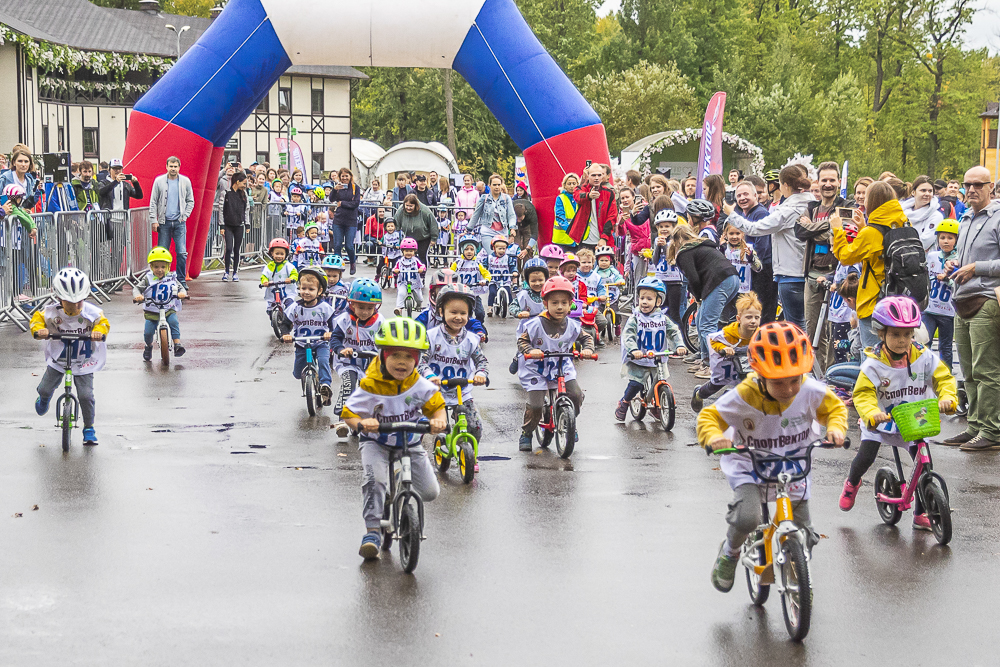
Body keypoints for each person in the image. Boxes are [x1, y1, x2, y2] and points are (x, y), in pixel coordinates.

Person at [699, 322, 847, 592]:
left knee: (804, 532)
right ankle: (730, 552)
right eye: (779, 382)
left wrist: (836, 428)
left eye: (795, 379)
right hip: (750, 465)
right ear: (759, 374)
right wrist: (713, 437)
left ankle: (798, 578)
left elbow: (834, 408)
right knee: (747, 517)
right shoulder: (744, 395)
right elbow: (710, 416)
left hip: (793, 465)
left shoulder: (809, 388)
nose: (790, 389)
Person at [837, 297, 956, 526]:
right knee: (866, 456)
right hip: (882, 420)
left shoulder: (923, 357)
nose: (902, 341)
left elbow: (943, 378)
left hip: (914, 418)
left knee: (924, 462)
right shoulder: (873, 365)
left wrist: (948, 398)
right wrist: (871, 413)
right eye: (895, 335)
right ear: (881, 334)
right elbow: (863, 394)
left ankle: (921, 514)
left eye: (907, 334)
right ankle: (852, 483)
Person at [344, 317, 446, 559]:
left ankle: (397, 496)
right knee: (375, 482)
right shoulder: (371, 384)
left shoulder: (419, 385)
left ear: (418, 360)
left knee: (430, 492)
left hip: (409, 442)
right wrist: (360, 423)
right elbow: (348, 414)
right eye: (396, 356)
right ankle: (372, 532)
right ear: (383, 355)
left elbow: (437, 406)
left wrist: (438, 421)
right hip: (377, 442)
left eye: (410, 357)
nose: (402, 362)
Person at [940, 165, 1000, 450]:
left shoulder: (998, 217)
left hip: (987, 301)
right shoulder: (964, 218)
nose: (972, 189)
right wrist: (954, 263)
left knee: (986, 370)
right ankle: (974, 426)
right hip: (962, 300)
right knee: (968, 370)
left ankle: (993, 431)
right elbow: (962, 259)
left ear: (990, 187)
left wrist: (977, 268)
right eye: (968, 185)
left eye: (978, 184)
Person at [723, 164, 815, 331]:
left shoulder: (787, 210)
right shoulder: (812, 204)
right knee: (804, 324)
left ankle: (799, 356)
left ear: (785, 185)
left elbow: (754, 229)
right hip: (807, 271)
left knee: (795, 326)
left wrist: (732, 214)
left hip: (790, 273)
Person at [31, 267, 110, 447]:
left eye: (79, 302)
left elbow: (103, 323)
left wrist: (98, 331)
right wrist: (38, 330)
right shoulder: (50, 312)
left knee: (86, 395)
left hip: (83, 361)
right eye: (69, 302)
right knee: (45, 388)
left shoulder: (92, 312)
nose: (75, 307)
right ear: (59, 298)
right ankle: (44, 399)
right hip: (59, 359)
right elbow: (36, 320)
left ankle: (89, 428)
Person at [515, 276, 595, 451]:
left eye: (564, 303)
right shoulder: (535, 324)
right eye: (554, 302)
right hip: (536, 368)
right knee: (536, 404)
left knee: (575, 395)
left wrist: (587, 349)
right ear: (545, 303)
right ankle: (527, 432)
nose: (560, 307)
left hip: (561, 366)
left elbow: (586, 337)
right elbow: (522, 342)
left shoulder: (573, 325)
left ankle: (568, 422)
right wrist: (529, 351)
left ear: (570, 304)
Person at [830, 180, 907, 349]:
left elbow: (845, 257)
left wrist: (837, 230)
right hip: (900, 301)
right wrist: (863, 227)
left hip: (875, 303)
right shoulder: (903, 224)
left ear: (872, 202)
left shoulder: (871, 233)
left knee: (872, 357)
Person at [668, 224, 740, 378]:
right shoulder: (701, 245)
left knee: (707, 323)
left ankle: (713, 365)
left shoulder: (684, 252)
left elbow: (692, 278)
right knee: (702, 319)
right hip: (732, 278)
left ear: (676, 241)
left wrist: (698, 296)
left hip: (719, 281)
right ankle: (704, 357)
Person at [420, 284, 489, 443]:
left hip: (461, 391)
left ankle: (471, 453)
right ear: (441, 312)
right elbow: (420, 361)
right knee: (429, 423)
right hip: (437, 389)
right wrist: (429, 375)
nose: (458, 317)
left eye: (463, 313)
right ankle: (415, 451)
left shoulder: (471, 339)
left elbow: (481, 360)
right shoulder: (431, 336)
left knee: (475, 426)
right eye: (453, 312)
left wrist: (480, 373)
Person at [798, 161, 846, 374]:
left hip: (836, 277)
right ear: (818, 182)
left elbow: (840, 236)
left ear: (839, 182)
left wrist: (812, 228)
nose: (828, 184)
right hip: (811, 275)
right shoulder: (811, 207)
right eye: (824, 180)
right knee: (812, 330)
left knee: (833, 330)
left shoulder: (846, 206)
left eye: (832, 180)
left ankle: (832, 375)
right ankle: (814, 375)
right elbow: (799, 232)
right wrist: (828, 226)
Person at [615, 278, 686, 421]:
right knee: (636, 383)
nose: (644, 302)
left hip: (658, 357)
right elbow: (628, 335)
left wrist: (679, 345)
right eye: (642, 298)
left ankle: (655, 406)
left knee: (660, 380)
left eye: (649, 298)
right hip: (640, 358)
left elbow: (674, 332)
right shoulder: (636, 318)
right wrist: (634, 349)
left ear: (658, 302)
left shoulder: (663, 318)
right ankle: (625, 401)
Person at [330, 279, 386, 430]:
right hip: (348, 363)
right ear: (352, 304)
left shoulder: (380, 322)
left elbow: (387, 343)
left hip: (370, 364)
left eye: (370, 308)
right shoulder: (345, 319)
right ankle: (343, 418)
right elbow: (335, 338)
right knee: (349, 382)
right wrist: (340, 349)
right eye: (361, 307)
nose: (365, 312)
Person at [691, 292, 761, 410]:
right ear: (738, 318)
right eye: (748, 317)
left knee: (753, 385)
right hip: (726, 365)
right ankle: (699, 393)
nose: (753, 321)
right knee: (714, 386)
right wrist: (723, 348)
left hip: (746, 365)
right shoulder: (729, 333)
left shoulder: (760, 334)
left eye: (756, 317)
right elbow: (714, 340)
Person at [133, 247, 188, 360]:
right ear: (151, 267)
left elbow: (181, 288)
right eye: (156, 267)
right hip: (152, 309)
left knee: (173, 321)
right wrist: (138, 296)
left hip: (168, 307)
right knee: (148, 332)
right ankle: (148, 346)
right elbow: (136, 289)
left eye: (163, 267)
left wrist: (182, 293)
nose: (160, 270)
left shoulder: (171, 278)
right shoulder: (148, 279)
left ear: (168, 267)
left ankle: (177, 344)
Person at [733, 180, 777, 323]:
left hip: (763, 270)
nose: (742, 198)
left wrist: (752, 262)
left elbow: (762, 247)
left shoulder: (760, 214)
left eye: (746, 194)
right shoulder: (747, 214)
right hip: (753, 270)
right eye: (739, 195)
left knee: (762, 311)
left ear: (755, 195)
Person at [149, 156, 196, 287]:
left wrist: (185, 215)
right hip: (164, 222)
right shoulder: (159, 181)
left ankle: (181, 280)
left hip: (179, 222)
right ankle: (161, 280)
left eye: (175, 166)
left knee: (181, 252)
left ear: (179, 167)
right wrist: (154, 219)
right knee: (162, 252)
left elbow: (190, 201)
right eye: (171, 166)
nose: (173, 169)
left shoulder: (185, 181)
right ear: (166, 167)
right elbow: (153, 201)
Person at [922, 220, 959, 371]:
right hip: (930, 309)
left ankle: (947, 376)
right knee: (924, 342)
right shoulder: (932, 256)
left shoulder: (958, 260)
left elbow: (959, 283)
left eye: (950, 238)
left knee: (946, 347)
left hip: (947, 312)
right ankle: (924, 373)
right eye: (942, 237)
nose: (945, 241)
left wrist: (947, 279)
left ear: (957, 240)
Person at [567, 164, 617, 250]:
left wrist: (604, 238)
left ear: (603, 177)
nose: (596, 178)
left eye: (599, 175)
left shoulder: (609, 193)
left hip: (602, 240)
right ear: (588, 176)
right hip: (584, 240)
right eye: (593, 175)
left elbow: (612, 217)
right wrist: (589, 196)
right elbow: (578, 196)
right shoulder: (580, 188)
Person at [260, 238, 298, 335]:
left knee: (289, 305)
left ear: (286, 254)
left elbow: (294, 274)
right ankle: (274, 320)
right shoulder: (269, 266)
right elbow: (264, 275)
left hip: (286, 292)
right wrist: (265, 281)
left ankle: (289, 321)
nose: (279, 256)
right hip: (273, 292)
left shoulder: (288, 266)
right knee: (270, 308)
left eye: (282, 254)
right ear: (271, 253)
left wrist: (291, 278)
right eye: (277, 253)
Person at [451, 235, 490, 322]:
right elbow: (450, 273)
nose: (469, 252)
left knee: (480, 313)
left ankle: (478, 326)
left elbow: (485, 273)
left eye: (472, 249)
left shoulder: (477, 262)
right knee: (465, 313)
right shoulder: (457, 263)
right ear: (462, 250)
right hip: (461, 293)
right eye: (466, 249)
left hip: (474, 293)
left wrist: (485, 280)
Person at [469, 173, 516, 247]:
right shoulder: (484, 198)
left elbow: (511, 215)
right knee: (491, 255)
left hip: (502, 232)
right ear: (489, 185)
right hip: (487, 231)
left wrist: (512, 228)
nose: (497, 187)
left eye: (498, 184)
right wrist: (469, 228)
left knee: (501, 255)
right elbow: (476, 214)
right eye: (494, 185)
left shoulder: (506, 198)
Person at [330, 167, 362, 275]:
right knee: (337, 245)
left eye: (346, 176)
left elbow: (355, 204)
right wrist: (334, 190)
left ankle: (352, 262)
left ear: (350, 176)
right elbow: (331, 199)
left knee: (349, 245)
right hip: (338, 220)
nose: (344, 178)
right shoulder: (338, 188)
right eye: (342, 176)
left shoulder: (355, 188)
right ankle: (337, 268)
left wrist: (342, 203)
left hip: (351, 221)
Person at [221, 171, 251, 282]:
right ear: (237, 182)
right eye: (243, 183)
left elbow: (246, 210)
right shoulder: (226, 193)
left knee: (237, 249)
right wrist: (222, 225)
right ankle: (226, 271)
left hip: (239, 225)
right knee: (228, 248)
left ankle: (235, 271)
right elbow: (221, 210)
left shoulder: (244, 194)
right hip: (228, 225)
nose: (244, 186)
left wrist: (247, 223)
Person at [901, 175, 945, 251]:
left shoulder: (936, 216)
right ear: (913, 192)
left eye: (930, 191)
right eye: (923, 190)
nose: (927, 194)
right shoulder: (902, 212)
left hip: (925, 261)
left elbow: (924, 242)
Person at [575, 247, 608, 346]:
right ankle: (580, 338)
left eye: (589, 262)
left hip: (592, 307)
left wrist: (602, 295)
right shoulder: (575, 276)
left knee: (602, 322)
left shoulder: (596, 277)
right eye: (583, 262)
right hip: (578, 306)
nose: (586, 265)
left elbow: (601, 288)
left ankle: (595, 335)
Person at [395, 194, 437, 266]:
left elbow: (433, 224)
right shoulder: (400, 210)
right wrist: (395, 236)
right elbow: (396, 223)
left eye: (411, 206)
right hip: (408, 237)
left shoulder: (425, 211)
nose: (408, 208)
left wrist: (434, 238)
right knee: (407, 256)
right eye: (407, 205)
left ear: (415, 205)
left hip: (423, 237)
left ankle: (422, 274)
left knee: (422, 256)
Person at [392, 237, 427, 315]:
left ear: (414, 252)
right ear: (402, 251)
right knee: (401, 293)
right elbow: (395, 268)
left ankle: (418, 305)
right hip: (403, 282)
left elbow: (422, 266)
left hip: (415, 282)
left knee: (419, 298)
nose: (408, 253)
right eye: (406, 251)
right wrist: (396, 271)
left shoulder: (415, 260)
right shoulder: (400, 261)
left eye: (411, 251)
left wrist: (421, 269)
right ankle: (399, 308)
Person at [0, 147, 41, 211]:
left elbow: (30, 201)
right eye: (20, 161)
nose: (23, 164)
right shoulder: (4, 179)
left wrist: (26, 210)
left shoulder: (30, 181)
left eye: (26, 161)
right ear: (14, 162)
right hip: (6, 219)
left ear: (30, 164)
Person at [485, 235, 517, 314]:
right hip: (493, 280)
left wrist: (514, 272)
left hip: (505, 280)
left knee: (509, 293)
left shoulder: (507, 258)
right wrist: (484, 272)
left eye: (504, 249)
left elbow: (512, 266)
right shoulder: (489, 258)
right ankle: (490, 307)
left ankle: (511, 307)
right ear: (494, 248)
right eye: (499, 249)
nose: (502, 251)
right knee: (492, 292)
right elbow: (484, 266)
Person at [510, 257, 548, 321]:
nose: (537, 283)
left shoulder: (549, 294)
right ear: (528, 281)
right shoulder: (524, 294)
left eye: (540, 280)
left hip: (546, 325)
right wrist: (519, 313)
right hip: (527, 325)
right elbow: (512, 306)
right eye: (533, 281)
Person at [552, 172, 580, 247]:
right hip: (562, 240)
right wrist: (571, 232)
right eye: (569, 184)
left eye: (574, 183)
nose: (572, 186)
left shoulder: (579, 198)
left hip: (577, 240)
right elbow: (560, 217)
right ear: (564, 185)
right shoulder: (560, 198)